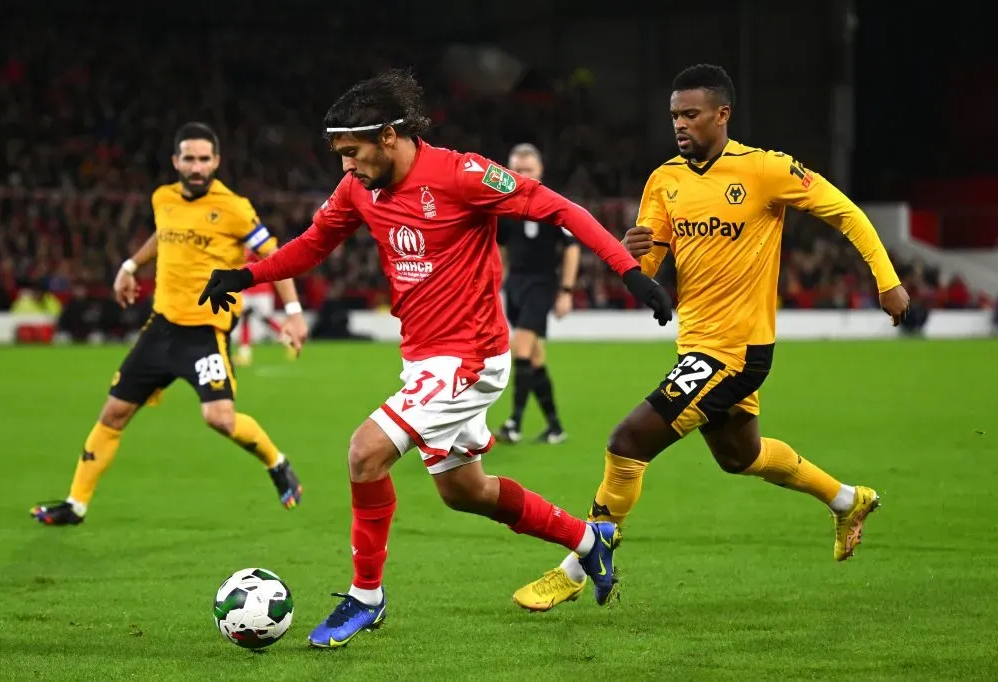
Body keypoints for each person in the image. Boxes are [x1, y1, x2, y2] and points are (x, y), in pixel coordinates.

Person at [198, 69, 674, 649]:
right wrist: (246, 275)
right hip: (424, 360)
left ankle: (366, 598)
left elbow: (559, 209)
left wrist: (627, 272)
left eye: (353, 153)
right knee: (465, 492)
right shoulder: (359, 190)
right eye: (340, 155)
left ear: (390, 135)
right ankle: (586, 541)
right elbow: (311, 245)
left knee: (364, 453)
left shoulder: (461, 174)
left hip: (470, 358)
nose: (345, 167)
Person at [512, 64, 911, 611]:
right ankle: (847, 500)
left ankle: (578, 564)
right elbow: (648, 268)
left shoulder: (766, 170)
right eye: (675, 114)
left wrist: (887, 281)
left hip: (736, 350)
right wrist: (636, 253)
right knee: (740, 456)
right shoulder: (665, 180)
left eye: (691, 114)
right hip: (697, 344)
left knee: (626, 442)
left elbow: (846, 214)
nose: (680, 124)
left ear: (722, 114)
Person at [31, 123, 309, 526]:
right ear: (176, 161)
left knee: (220, 418)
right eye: (189, 158)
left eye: (204, 159)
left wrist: (295, 312)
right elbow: (164, 235)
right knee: (112, 415)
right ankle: (76, 505)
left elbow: (276, 257)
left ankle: (276, 461)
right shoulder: (163, 198)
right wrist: (129, 266)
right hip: (160, 329)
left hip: (204, 333)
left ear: (216, 161)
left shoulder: (234, 207)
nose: (196, 166)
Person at [493, 143, 580, 445]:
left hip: (541, 285)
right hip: (515, 285)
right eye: (518, 169)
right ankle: (555, 427)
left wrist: (566, 291)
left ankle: (514, 423)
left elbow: (572, 248)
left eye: (528, 169)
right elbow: (501, 248)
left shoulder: (553, 205)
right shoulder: (503, 208)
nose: (523, 175)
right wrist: (497, 283)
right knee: (535, 358)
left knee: (521, 350)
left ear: (540, 171)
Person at [233, 254, 299, 367]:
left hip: (261, 289)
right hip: (247, 289)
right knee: (245, 318)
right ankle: (244, 355)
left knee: (266, 319)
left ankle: (290, 342)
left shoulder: (256, 244)